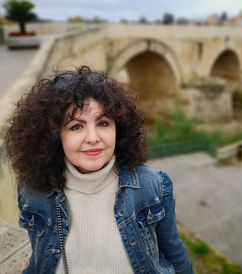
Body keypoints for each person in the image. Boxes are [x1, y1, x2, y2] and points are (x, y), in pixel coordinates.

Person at [3, 66, 193, 274]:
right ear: (54, 135)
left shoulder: (151, 185)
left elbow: (174, 251)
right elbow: (40, 256)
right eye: (76, 126)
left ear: (118, 128)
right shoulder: (33, 192)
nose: (93, 138)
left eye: (103, 123)